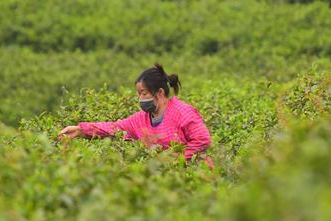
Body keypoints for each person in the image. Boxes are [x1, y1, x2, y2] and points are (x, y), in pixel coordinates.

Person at [57, 63, 214, 169]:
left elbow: (203, 139)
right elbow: (115, 128)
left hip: (198, 174)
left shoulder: (182, 112)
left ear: (159, 92)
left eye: (144, 93)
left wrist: (177, 160)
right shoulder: (141, 119)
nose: (140, 99)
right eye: (139, 94)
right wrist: (81, 130)